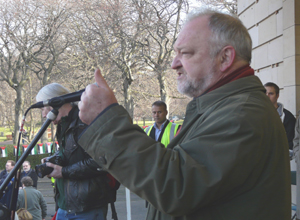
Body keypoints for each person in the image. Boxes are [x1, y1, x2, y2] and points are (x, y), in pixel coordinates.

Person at [77, 8, 290, 220]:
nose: (174, 64)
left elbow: (176, 185)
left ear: (225, 57)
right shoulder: (223, 107)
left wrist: (105, 122)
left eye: (185, 53)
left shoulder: (243, 114)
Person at [36, 83, 108, 220]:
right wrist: (53, 159)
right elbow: (72, 152)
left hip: (86, 208)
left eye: (42, 109)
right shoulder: (64, 123)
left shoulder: (84, 121)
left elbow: (101, 161)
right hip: (64, 206)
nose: (44, 115)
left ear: (55, 102)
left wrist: (63, 172)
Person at [264, 82, 296, 149]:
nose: (267, 96)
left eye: (271, 93)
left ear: (277, 95)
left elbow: (291, 143)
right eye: (265, 93)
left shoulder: (288, 117)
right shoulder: (256, 114)